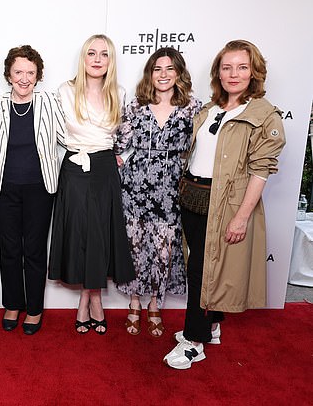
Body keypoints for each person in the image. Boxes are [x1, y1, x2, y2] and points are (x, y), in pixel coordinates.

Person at [164, 40, 286, 369]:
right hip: (193, 197)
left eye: (242, 67)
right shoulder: (210, 109)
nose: (233, 74)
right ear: (218, 71)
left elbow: (261, 171)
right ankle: (211, 326)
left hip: (225, 204)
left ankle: (194, 341)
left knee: (204, 272)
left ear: (254, 72)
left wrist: (241, 217)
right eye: (227, 67)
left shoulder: (263, 115)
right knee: (203, 267)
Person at [48, 34, 134, 335]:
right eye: (92, 53)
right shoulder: (65, 91)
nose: (97, 59)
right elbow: (55, 132)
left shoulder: (119, 93)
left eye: (104, 54)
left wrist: (115, 157)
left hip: (105, 169)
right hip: (74, 167)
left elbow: (125, 134)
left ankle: (89, 298)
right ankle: (92, 298)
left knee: (100, 236)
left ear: (111, 61)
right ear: (83, 58)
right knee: (80, 235)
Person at [115, 48, 202, 337]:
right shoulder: (136, 105)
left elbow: (201, 147)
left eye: (169, 69)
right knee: (135, 245)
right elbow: (119, 140)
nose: (163, 75)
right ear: (150, 74)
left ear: (179, 72)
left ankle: (155, 304)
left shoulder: (192, 107)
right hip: (135, 185)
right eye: (157, 69)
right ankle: (135, 302)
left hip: (170, 188)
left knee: (164, 249)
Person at [0, 45, 65, 335]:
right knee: (9, 250)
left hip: (40, 189)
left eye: (30, 72)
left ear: (38, 75)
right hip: (4, 189)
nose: (24, 78)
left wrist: (102, 152)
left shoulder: (49, 101)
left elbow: (67, 137)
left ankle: (34, 308)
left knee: (33, 250)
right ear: (8, 74)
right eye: (18, 72)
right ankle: (12, 304)